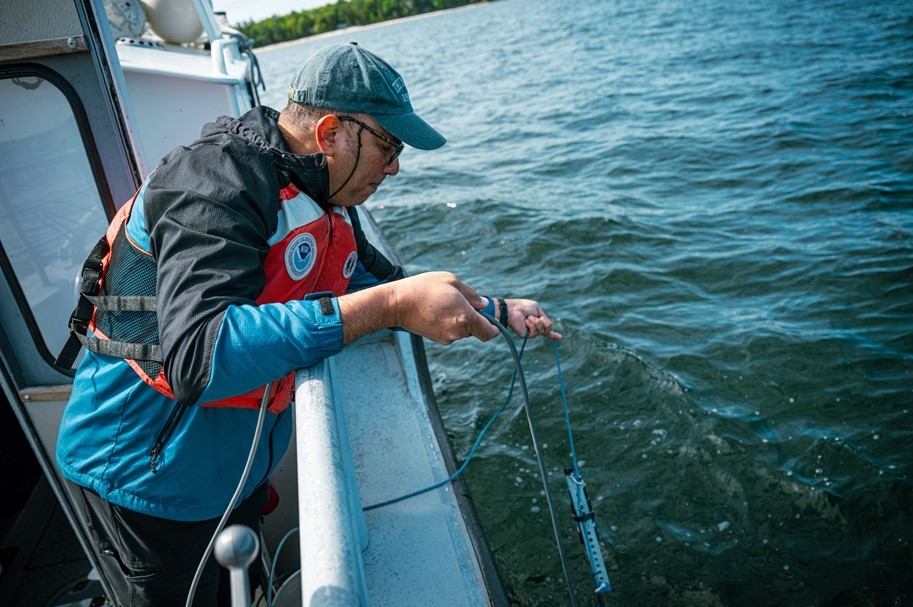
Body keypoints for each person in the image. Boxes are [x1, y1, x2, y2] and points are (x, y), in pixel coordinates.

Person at [55, 42, 560, 606]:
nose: (395, 168)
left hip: (234, 475)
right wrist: (390, 309)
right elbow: (200, 356)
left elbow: (370, 283)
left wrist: (494, 308)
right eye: (388, 146)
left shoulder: (325, 193)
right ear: (330, 134)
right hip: (142, 483)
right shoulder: (213, 183)